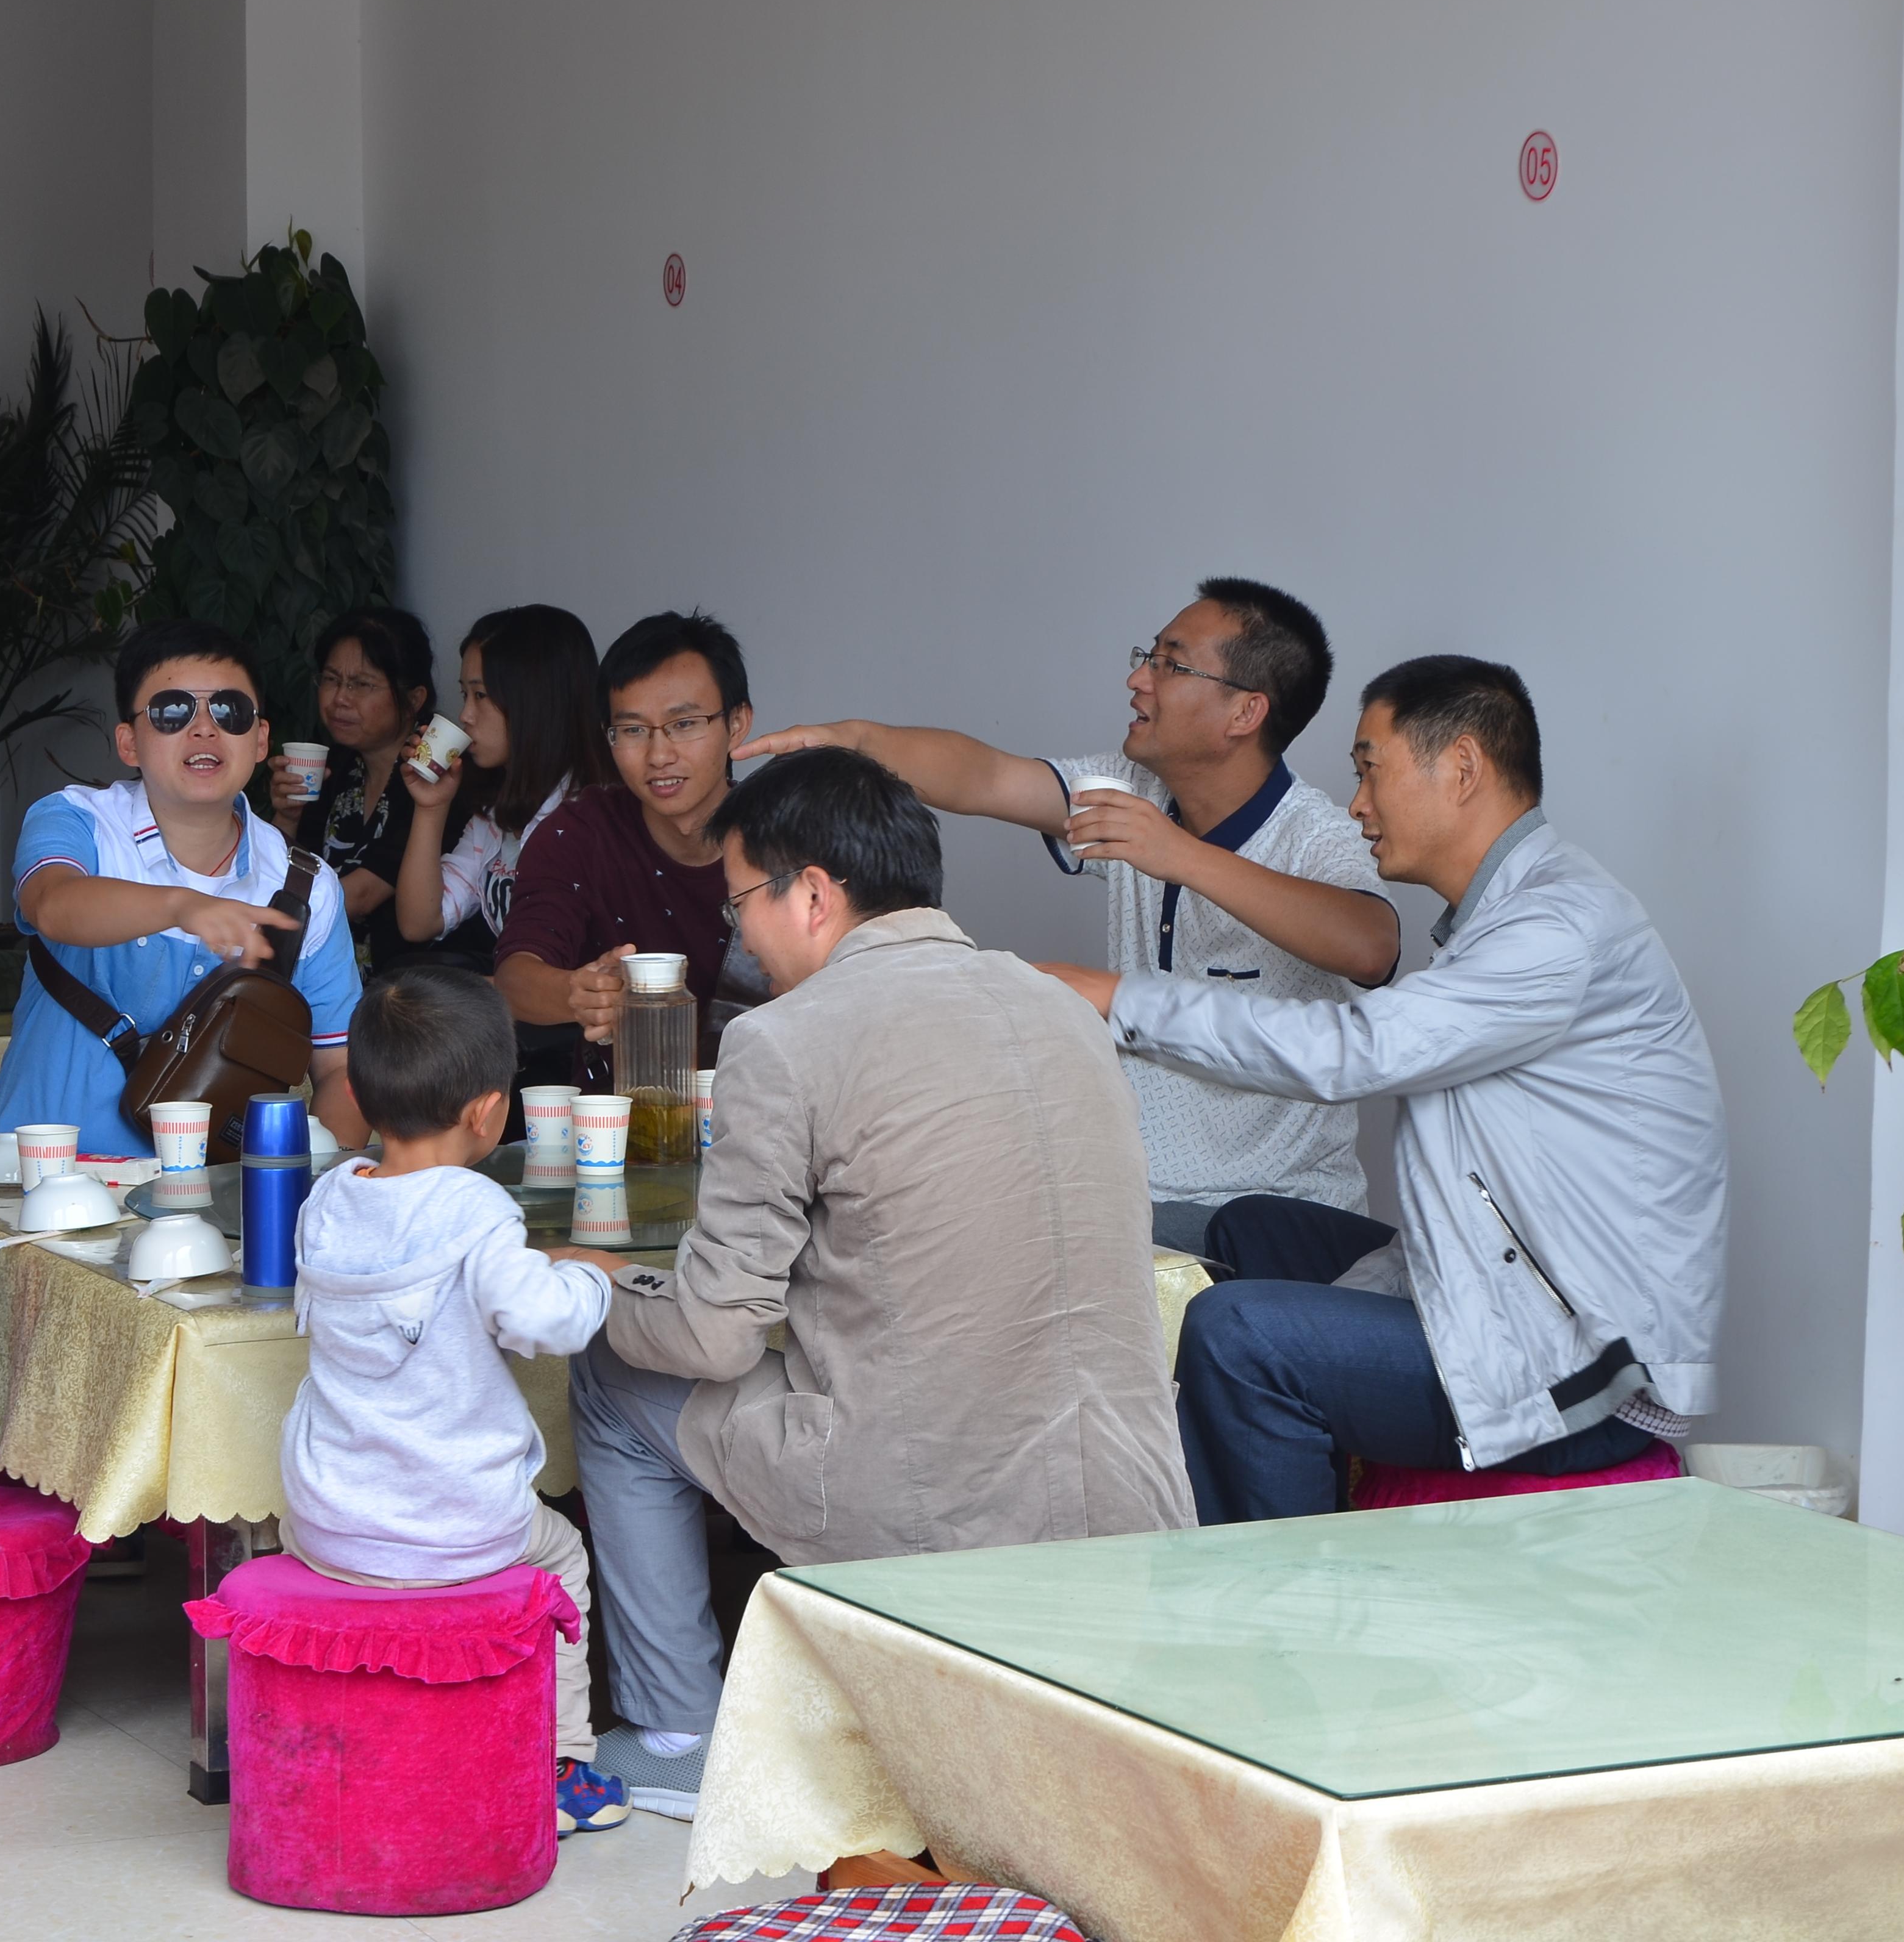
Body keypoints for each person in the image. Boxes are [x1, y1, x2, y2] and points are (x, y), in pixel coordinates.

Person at [558, 746, 1195, 1816]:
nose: (740, 939)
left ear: (811, 894)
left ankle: (680, 1731)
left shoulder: (783, 1039)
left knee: (606, 1369)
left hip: (925, 1507)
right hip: (1129, 1494)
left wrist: (608, 1284)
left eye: (740, 905)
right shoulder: (1059, 1008)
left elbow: (715, 1333)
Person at [1037, 657, 1728, 1524]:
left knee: (1238, 1333)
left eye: (1370, 770)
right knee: (1256, 1227)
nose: (1356, 804)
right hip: (1519, 1301)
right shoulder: (1508, 916)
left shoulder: (1555, 931)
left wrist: (1121, 999)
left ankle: (1278, 1600)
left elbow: (1355, 1052)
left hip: (1581, 1373)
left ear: (1463, 767)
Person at [741, 579, 1397, 1253]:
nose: (1137, 679)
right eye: (1148, 656)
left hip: (1268, 1220)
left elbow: (1371, 947)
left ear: (1245, 712)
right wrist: (851, 742)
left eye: (1171, 665)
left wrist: (1181, 856)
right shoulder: (1132, 792)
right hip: (1133, 1200)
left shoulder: (1315, 836)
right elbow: (987, 777)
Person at [278, 962, 632, 1838]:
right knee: (562, 1559)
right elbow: (538, 1319)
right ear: (488, 1112)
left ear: (357, 1094)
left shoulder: (327, 1201)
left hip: (327, 1520)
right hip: (456, 1523)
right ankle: (562, 1765)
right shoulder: (478, 1209)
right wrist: (591, 1279)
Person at [0, 619, 369, 1158]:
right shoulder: (78, 821)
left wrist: (303, 1181)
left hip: (207, 1199)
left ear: (260, 739)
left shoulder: (305, 887)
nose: (205, 729)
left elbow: (341, 1072)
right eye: (172, 712)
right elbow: (51, 904)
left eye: (230, 711)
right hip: (38, 1184)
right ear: (129, 743)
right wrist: (181, 907)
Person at [495, 611, 770, 1056]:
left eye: (684, 724)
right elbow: (514, 978)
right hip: (617, 1098)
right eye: (632, 730)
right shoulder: (580, 833)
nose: (659, 755)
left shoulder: (787, 838)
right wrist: (578, 993)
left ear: (736, 724)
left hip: (767, 1093)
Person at [393, 604, 617, 1099]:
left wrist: (486, 990)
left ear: (535, 701)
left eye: (482, 695)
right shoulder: (499, 815)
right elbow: (419, 921)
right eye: (464, 694)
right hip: (523, 1042)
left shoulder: (596, 813)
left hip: (582, 1055)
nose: (465, 715)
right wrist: (431, 808)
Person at [270, 606, 434, 969]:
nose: (340, 699)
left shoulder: (432, 777)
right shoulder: (337, 768)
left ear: (414, 698)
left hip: (400, 985)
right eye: (331, 679)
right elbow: (285, 878)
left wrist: (260, 922)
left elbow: (361, 897)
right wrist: (288, 817)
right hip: (320, 969)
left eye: (362, 685)